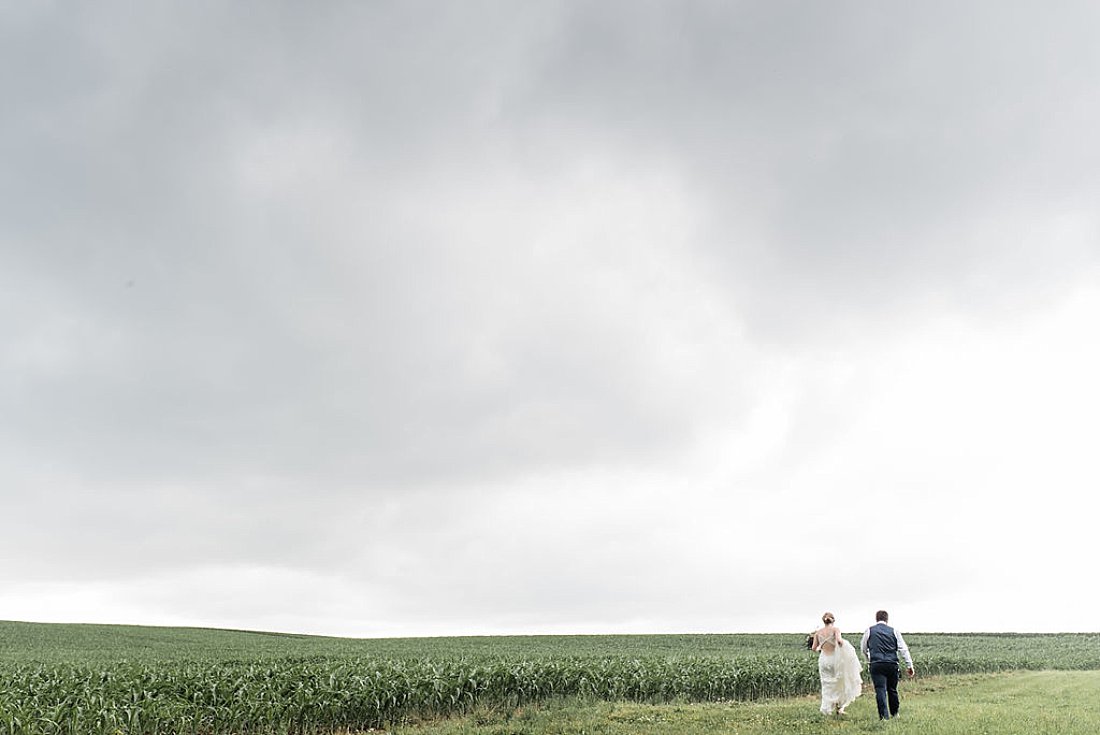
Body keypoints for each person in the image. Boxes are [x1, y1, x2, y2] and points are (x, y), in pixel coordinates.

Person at [860, 610, 915, 720]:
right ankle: (895, 713)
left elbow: (863, 648)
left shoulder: (869, 631)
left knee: (880, 690)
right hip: (892, 663)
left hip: (876, 664)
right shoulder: (894, 631)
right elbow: (903, 649)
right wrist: (910, 665)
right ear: (887, 619)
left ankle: (884, 717)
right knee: (892, 689)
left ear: (876, 619)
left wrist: (869, 660)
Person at [811, 611, 862, 715]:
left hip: (824, 660)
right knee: (838, 682)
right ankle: (839, 707)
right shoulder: (835, 630)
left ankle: (826, 708)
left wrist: (821, 648)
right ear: (833, 620)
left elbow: (813, 648)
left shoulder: (818, 633)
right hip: (834, 659)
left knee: (826, 684)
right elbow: (839, 641)